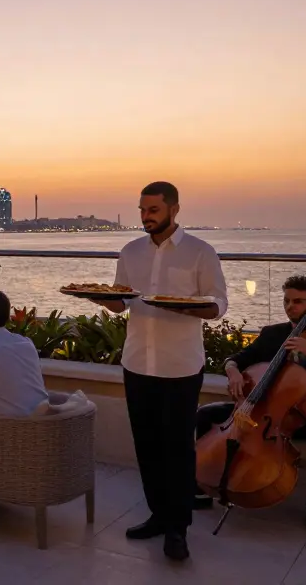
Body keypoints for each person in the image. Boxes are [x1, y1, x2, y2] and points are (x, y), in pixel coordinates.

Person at [93, 181, 228, 562]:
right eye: (142, 210)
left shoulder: (201, 252)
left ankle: (178, 528)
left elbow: (218, 305)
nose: (146, 217)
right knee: (147, 445)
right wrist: (102, 299)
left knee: (178, 449)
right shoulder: (130, 251)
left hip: (180, 364)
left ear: (174, 209)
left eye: (153, 210)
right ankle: (157, 514)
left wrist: (187, 308)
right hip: (137, 361)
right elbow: (121, 303)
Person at [195, 275, 306, 531]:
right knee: (204, 415)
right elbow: (235, 358)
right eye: (286, 300)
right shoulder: (273, 334)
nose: (290, 306)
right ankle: (202, 487)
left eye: (298, 301)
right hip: (265, 411)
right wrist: (233, 371)